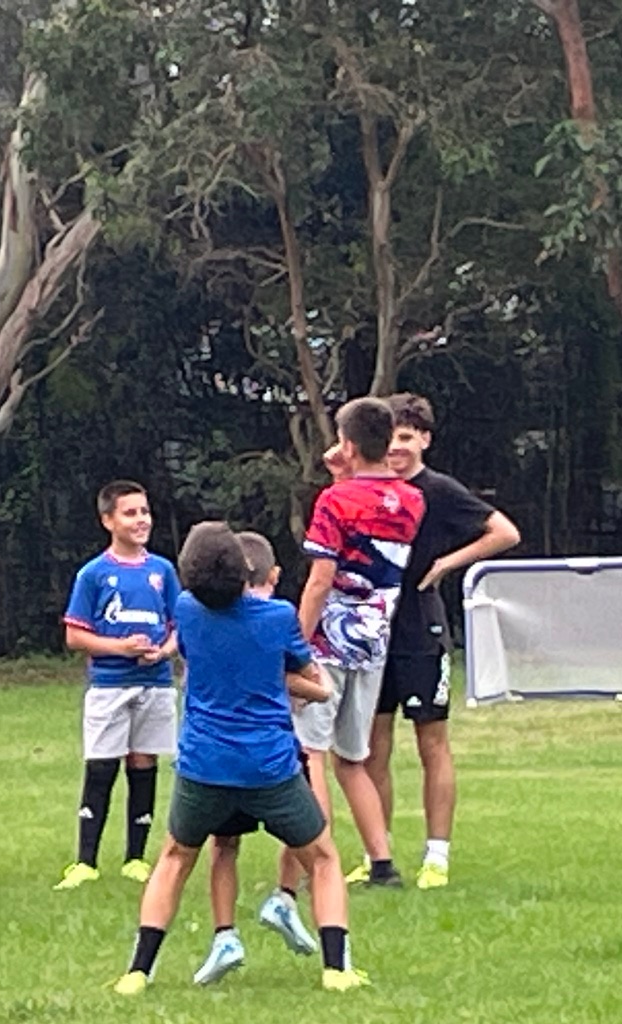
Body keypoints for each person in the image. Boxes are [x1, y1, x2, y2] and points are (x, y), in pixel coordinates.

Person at [114, 522, 365, 995]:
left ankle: (137, 972)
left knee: (175, 857)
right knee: (323, 858)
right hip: (269, 766)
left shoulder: (186, 611)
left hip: (203, 765)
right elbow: (306, 672)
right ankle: (336, 969)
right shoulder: (278, 616)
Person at [354, 392, 522, 889]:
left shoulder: (440, 490)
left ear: (424, 440)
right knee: (371, 747)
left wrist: (448, 563)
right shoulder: (368, 488)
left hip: (421, 631)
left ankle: (437, 856)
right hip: (372, 631)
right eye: (390, 437)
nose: (396, 447)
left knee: (432, 741)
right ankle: (377, 854)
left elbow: (504, 532)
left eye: (406, 437)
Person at [277, 395, 425, 894]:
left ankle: (316, 861)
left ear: (347, 444)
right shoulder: (412, 499)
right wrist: (345, 473)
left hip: (328, 641)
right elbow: (372, 510)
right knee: (353, 758)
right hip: (373, 641)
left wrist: (296, 645)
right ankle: (382, 863)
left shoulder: (334, 502)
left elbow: (322, 579)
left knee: (311, 754)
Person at [195, 531, 325, 985]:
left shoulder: (207, 612)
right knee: (307, 830)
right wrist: (318, 689)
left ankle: (225, 934)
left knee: (224, 845)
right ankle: (285, 897)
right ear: (273, 575)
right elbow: (299, 677)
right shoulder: (276, 617)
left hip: (216, 754)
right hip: (272, 749)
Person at [57, 480, 181, 889]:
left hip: (155, 683)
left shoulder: (162, 571)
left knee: (144, 763)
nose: (141, 520)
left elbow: (178, 626)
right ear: (108, 520)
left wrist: (164, 651)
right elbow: (75, 635)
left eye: (144, 511)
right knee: (102, 765)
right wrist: (120, 648)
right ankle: (85, 861)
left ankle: (136, 858)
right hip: (110, 685)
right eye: (130, 513)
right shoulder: (94, 574)